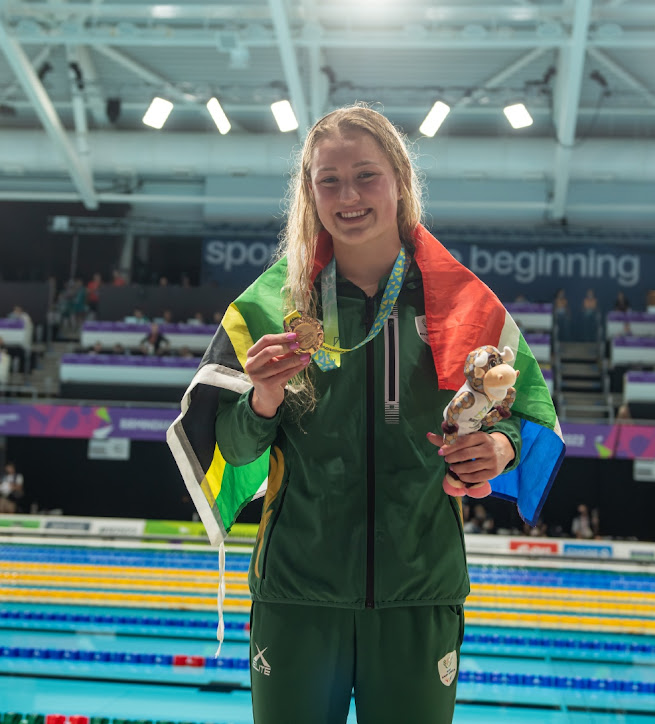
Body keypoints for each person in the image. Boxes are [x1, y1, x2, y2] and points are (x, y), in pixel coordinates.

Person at [167, 105, 564, 724]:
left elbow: (520, 410)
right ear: (309, 193)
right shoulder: (269, 308)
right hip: (298, 593)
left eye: (365, 175)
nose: (348, 196)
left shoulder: (459, 302)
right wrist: (263, 398)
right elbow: (235, 451)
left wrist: (501, 448)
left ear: (401, 180)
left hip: (419, 591)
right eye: (329, 180)